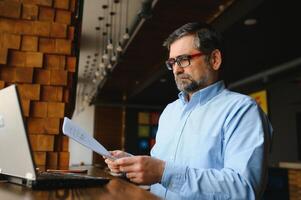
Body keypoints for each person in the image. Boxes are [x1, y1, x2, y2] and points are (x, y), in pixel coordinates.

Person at [104, 22, 273, 199]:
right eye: (172, 62)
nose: (176, 69)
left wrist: (163, 172)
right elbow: (160, 171)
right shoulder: (170, 112)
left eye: (184, 59)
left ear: (214, 59)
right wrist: (131, 165)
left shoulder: (242, 110)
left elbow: (244, 189)